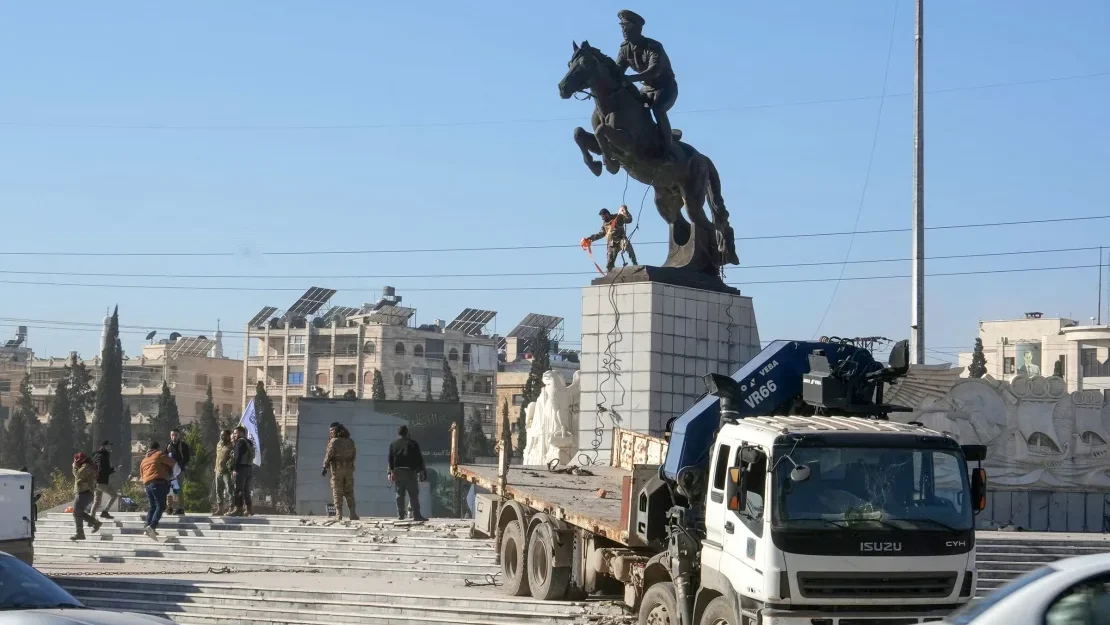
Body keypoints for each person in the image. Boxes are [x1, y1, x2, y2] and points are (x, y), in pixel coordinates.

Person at [615, 10, 680, 159]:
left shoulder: (653, 46)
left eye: (627, 26)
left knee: (658, 109)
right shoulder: (624, 49)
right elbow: (617, 71)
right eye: (622, 26)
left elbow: (653, 70)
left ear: (637, 28)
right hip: (646, 89)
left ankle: (668, 148)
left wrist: (630, 79)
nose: (624, 30)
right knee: (633, 109)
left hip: (665, 87)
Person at [388, 425, 427, 522]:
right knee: (413, 494)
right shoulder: (413, 444)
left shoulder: (393, 444)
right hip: (410, 472)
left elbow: (390, 459)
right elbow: (419, 458)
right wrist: (421, 471)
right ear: (407, 432)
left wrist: (390, 472)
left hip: (397, 472)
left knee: (399, 494)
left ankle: (401, 514)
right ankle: (417, 515)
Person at [581, 205, 636, 272]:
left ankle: (635, 264)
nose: (603, 219)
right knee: (609, 264)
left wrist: (625, 211)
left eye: (603, 217)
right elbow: (601, 234)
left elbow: (629, 220)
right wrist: (590, 238)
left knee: (628, 248)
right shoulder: (605, 224)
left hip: (621, 240)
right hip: (612, 244)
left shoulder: (618, 217)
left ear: (607, 214)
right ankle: (610, 274)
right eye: (602, 217)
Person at [139, 441, 176, 540]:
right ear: (157, 448)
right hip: (158, 482)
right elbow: (172, 462)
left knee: (153, 506)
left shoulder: (144, 460)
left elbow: (142, 475)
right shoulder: (159, 454)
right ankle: (152, 526)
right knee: (161, 505)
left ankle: (147, 526)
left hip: (147, 484)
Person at [323, 422, 358, 521]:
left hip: (337, 469)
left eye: (331, 430)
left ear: (336, 430)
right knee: (349, 491)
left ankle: (338, 514)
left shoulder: (333, 441)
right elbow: (354, 455)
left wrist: (324, 466)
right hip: (348, 469)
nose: (330, 433)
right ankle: (352, 513)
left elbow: (329, 455)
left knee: (337, 491)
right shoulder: (350, 441)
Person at [70, 453, 103, 540]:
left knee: (76, 512)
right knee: (78, 512)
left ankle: (80, 533)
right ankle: (95, 523)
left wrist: (74, 466)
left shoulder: (86, 467)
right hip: (85, 492)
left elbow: (78, 475)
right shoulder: (88, 466)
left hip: (84, 492)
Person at [90, 440, 119, 519]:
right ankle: (105, 512)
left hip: (95, 482)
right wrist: (113, 469)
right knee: (114, 495)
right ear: (103, 446)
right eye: (108, 446)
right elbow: (102, 470)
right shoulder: (102, 456)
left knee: (97, 502)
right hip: (101, 481)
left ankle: (91, 519)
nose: (110, 447)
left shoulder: (96, 455)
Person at [166, 428, 191, 515]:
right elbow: (165, 456)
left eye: (175, 435)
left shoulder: (183, 446)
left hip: (179, 471)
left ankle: (180, 508)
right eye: (172, 435)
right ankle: (169, 507)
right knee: (169, 490)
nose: (174, 437)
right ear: (170, 436)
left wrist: (179, 463)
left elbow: (187, 458)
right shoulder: (168, 445)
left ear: (178, 436)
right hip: (170, 471)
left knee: (178, 490)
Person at [230, 426, 255, 517]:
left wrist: (235, 469)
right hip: (249, 468)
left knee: (238, 489)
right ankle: (249, 508)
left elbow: (238, 457)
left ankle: (238, 508)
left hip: (241, 468)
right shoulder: (249, 442)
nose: (234, 435)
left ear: (241, 433)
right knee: (246, 490)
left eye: (236, 433)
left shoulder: (240, 442)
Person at [212, 429, 234, 515]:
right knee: (218, 490)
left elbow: (233, 459)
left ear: (228, 436)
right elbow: (217, 457)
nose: (222, 437)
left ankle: (231, 508)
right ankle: (220, 509)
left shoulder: (231, 445)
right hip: (218, 470)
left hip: (227, 472)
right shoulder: (218, 444)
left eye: (224, 435)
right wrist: (215, 467)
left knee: (229, 490)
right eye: (221, 435)